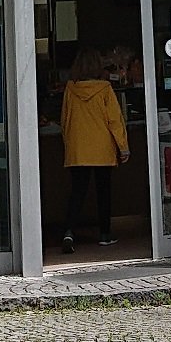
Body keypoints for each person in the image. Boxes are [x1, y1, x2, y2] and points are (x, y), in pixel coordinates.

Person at [58, 49, 129, 253]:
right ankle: (105, 234)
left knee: (77, 192)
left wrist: (68, 143)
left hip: (78, 149)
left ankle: (69, 231)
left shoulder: (70, 89)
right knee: (103, 192)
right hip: (102, 148)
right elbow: (114, 120)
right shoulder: (105, 88)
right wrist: (123, 147)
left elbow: (65, 119)